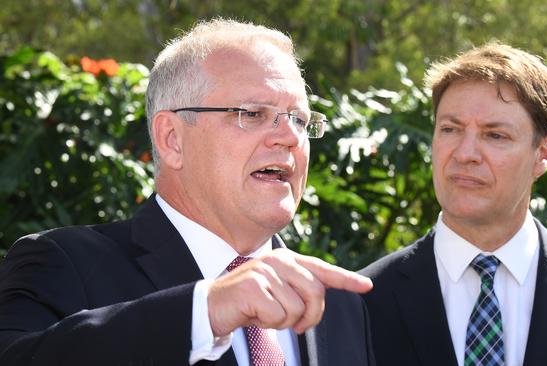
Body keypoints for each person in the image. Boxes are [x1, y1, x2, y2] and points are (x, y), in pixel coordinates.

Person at [0, 18, 375, 366]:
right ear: (171, 139)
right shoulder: (63, 265)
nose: (291, 137)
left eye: (300, 119)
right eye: (253, 114)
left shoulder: (336, 303)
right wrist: (204, 312)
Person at [361, 42, 547, 366]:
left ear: (542, 153)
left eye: (494, 135)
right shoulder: (362, 302)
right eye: (450, 129)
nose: (465, 152)